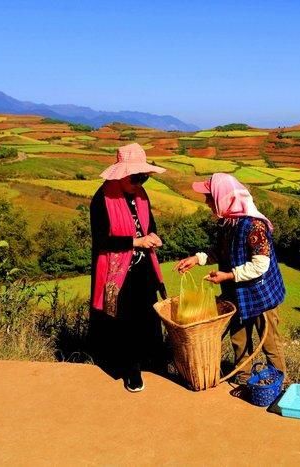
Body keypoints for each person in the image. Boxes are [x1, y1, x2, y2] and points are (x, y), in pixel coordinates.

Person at [175, 173, 287, 384]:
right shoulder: (227, 222)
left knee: (270, 341)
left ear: (224, 197)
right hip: (237, 294)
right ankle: (244, 378)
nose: (207, 202)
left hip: (262, 294)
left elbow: (260, 266)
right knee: (239, 338)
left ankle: (278, 382)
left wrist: (228, 275)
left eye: (209, 197)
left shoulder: (254, 226)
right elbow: (220, 251)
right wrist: (197, 259)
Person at [89, 143, 167, 392]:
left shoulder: (141, 196)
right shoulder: (102, 199)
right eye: (136, 177)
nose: (140, 182)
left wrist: (153, 237)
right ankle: (131, 371)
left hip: (143, 269)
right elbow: (101, 240)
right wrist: (137, 241)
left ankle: (150, 360)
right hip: (117, 272)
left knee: (147, 317)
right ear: (122, 174)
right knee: (126, 322)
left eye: (144, 177)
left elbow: (149, 226)